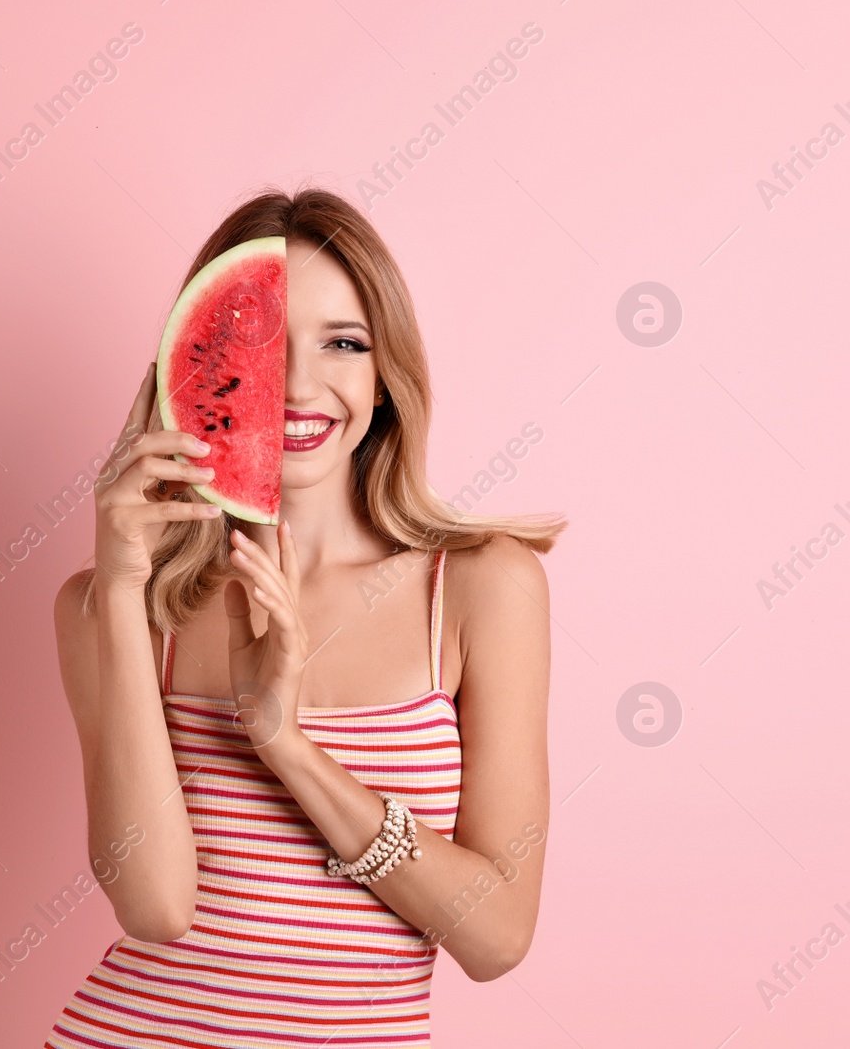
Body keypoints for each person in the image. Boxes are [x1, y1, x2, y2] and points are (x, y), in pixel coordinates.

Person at [43, 187, 564, 1047]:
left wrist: (284, 742)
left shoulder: (478, 589)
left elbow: (497, 934)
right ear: (197, 364)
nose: (298, 383)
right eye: (257, 343)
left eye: (344, 343)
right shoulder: (109, 606)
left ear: (386, 375)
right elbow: (157, 903)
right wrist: (127, 584)